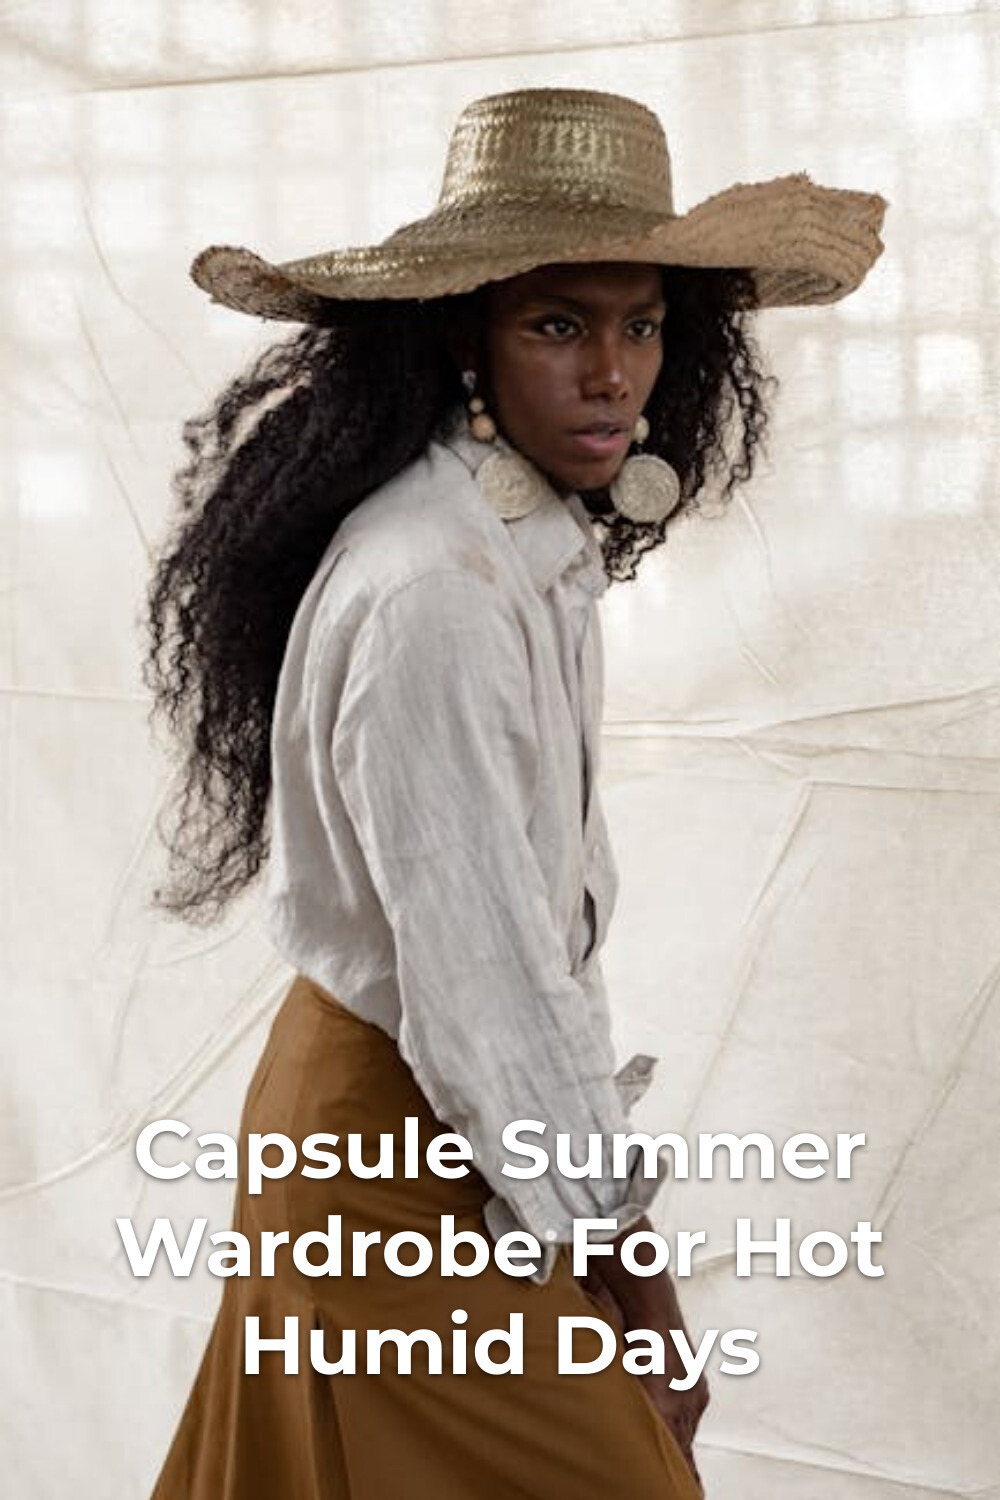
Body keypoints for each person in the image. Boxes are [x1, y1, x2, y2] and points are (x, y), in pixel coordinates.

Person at [143, 87, 885, 1499]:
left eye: (643, 323)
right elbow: (492, 988)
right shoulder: (439, 590)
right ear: (462, 335)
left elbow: (532, 958)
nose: (615, 373)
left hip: (427, 1132)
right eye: (559, 324)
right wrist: (637, 1288)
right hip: (385, 1166)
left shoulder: (511, 544)